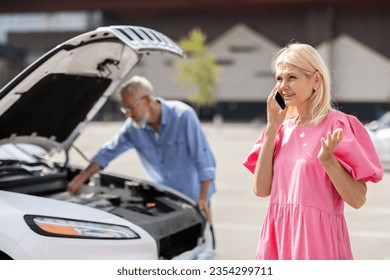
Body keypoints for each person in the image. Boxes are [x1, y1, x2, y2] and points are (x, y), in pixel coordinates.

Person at [243, 41, 383, 260]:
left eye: (292, 78)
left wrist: (329, 161)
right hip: (277, 238)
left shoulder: (339, 125)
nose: (282, 86)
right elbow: (261, 190)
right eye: (279, 78)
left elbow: (357, 199)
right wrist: (272, 128)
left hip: (317, 243)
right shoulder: (280, 129)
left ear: (316, 80)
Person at [67, 75, 216, 222]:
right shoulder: (133, 129)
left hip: (195, 200)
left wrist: (202, 198)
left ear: (146, 100)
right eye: (125, 110)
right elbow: (107, 152)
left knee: (202, 244)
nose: (128, 114)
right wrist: (80, 179)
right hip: (166, 200)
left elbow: (204, 160)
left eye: (130, 108)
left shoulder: (183, 116)